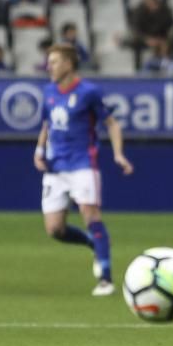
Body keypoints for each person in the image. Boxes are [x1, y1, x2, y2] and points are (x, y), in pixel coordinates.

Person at [34, 44, 134, 296]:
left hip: (82, 164)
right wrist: (39, 150)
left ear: (69, 63)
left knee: (91, 216)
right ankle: (94, 243)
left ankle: (106, 279)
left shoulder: (89, 92)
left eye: (54, 61)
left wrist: (119, 154)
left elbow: (111, 124)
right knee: (55, 230)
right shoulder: (48, 92)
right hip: (55, 167)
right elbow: (47, 124)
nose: (49, 66)